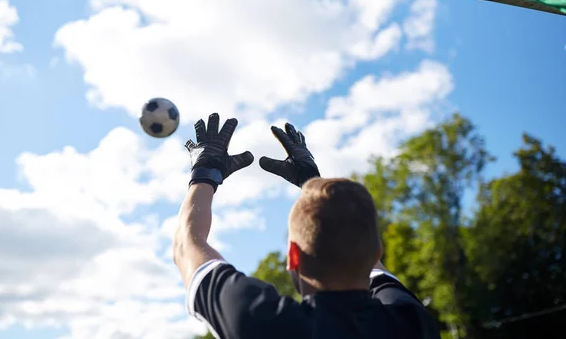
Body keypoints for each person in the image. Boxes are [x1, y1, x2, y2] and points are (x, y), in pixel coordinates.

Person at [173, 113, 440, 339]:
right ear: (377, 252)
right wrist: (314, 184)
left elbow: (187, 245)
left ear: (293, 257)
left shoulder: (260, 321)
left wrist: (204, 172)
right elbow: (370, 263)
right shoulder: (413, 323)